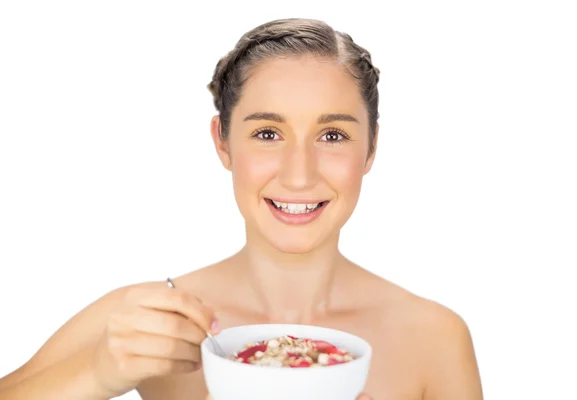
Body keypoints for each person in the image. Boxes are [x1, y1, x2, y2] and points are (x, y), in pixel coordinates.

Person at [0, 18, 483, 400]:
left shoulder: (436, 339)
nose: (299, 174)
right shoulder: (149, 320)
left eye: (332, 135)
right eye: (267, 134)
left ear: (371, 148)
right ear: (223, 143)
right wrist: (96, 373)